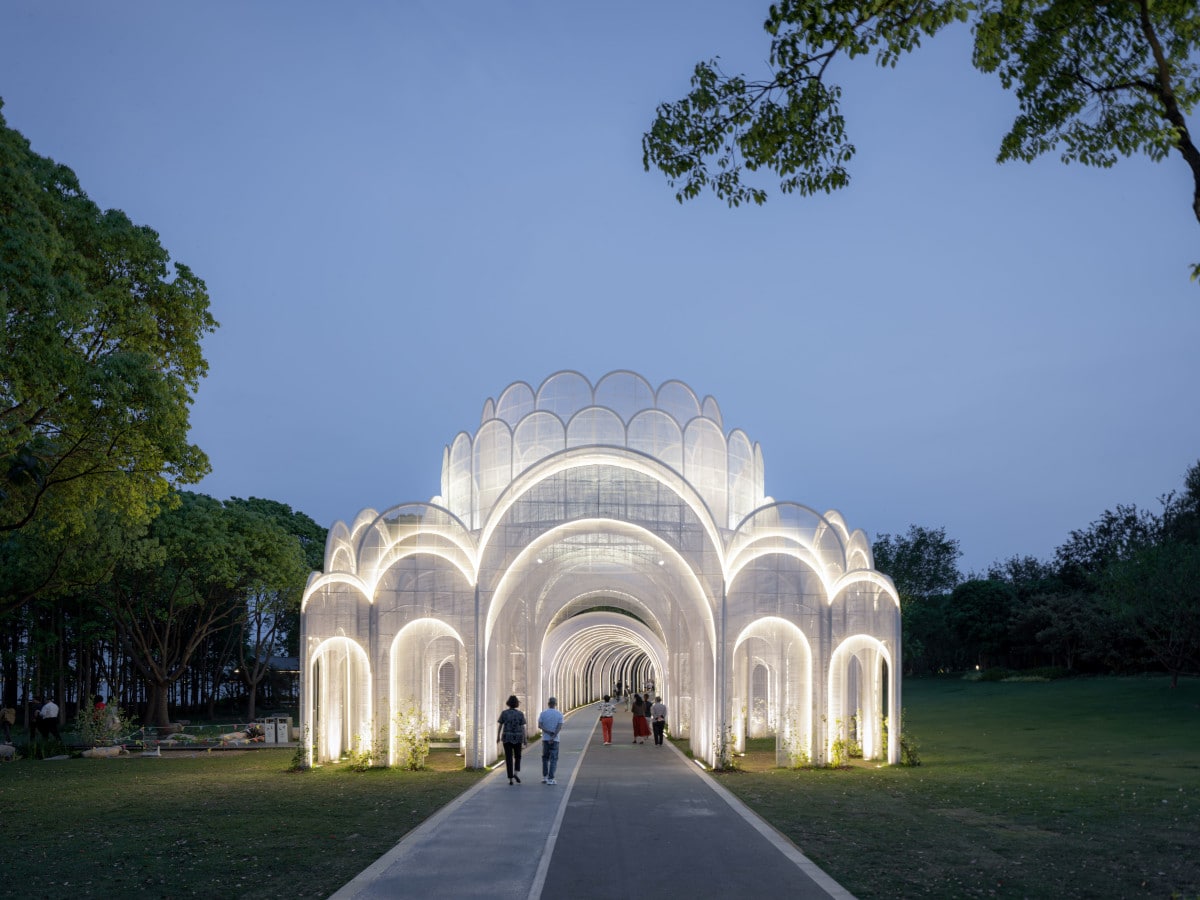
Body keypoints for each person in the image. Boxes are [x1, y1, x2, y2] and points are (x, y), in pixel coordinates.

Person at [496, 695, 528, 785]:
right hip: (518, 737)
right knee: (518, 756)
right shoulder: (520, 714)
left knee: (508, 757)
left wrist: (498, 736)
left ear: (508, 703)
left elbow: (500, 725)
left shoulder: (504, 713)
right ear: (517, 704)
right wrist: (525, 739)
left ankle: (510, 779)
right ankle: (516, 773)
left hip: (507, 737)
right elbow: (523, 727)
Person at [537, 696, 564, 784]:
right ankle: (551, 778)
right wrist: (553, 736)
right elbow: (559, 727)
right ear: (555, 704)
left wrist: (548, 732)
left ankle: (544, 777)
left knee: (545, 758)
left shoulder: (543, 713)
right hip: (555, 740)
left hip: (545, 739)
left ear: (548, 704)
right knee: (553, 758)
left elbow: (540, 725)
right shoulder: (559, 714)